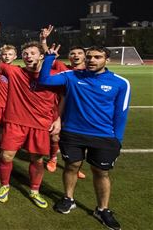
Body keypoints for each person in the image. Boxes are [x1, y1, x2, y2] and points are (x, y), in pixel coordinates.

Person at [39, 45, 130, 230]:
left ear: (107, 60)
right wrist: (49, 58)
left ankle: (103, 209)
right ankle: (68, 198)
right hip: (72, 133)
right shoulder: (72, 76)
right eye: (89, 57)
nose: (92, 60)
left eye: (97, 57)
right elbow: (45, 79)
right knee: (71, 167)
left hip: (104, 136)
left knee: (101, 172)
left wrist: (117, 139)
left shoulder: (120, 83)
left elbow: (121, 114)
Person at [0, 22, 60, 209]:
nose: (28, 56)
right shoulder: (15, 71)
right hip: (15, 123)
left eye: (32, 53)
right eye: (25, 54)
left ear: (42, 56)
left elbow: (63, 97)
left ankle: (34, 189)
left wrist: (58, 119)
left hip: (40, 124)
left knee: (37, 159)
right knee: (6, 156)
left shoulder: (54, 75)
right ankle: (4, 186)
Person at [46, 45, 87, 179]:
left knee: (80, 139)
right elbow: (50, 56)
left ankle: (76, 167)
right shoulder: (63, 68)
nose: (76, 55)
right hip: (60, 107)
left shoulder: (90, 72)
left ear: (84, 56)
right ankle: (53, 158)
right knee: (55, 136)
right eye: (73, 53)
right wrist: (44, 41)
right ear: (69, 56)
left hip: (80, 111)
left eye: (79, 53)